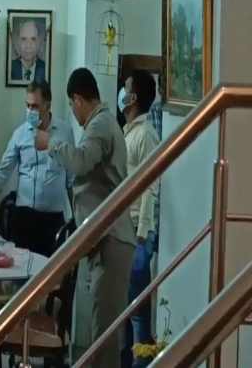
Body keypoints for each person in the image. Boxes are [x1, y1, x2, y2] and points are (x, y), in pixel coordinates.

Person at [36, 68, 136, 368]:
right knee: (97, 328)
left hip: (113, 238)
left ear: (78, 99)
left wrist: (51, 143)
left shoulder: (100, 124)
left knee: (104, 332)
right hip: (102, 238)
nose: (72, 111)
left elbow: (80, 162)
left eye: (71, 104)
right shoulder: (100, 123)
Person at [0, 80, 73, 258]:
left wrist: (76, 217)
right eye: (27, 105)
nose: (30, 110)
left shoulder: (64, 131)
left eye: (35, 106)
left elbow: (72, 177)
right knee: (21, 270)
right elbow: (2, 172)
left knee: (51, 271)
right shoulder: (20, 134)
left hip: (53, 219)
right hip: (24, 217)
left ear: (48, 105)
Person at [118, 70, 160, 367]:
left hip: (138, 232)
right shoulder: (129, 131)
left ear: (133, 97)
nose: (122, 92)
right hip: (124, 227)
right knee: (125, 308)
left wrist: (143, 233)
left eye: (126, 88)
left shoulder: (146, 134)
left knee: (138, 311)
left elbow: (151, 185)